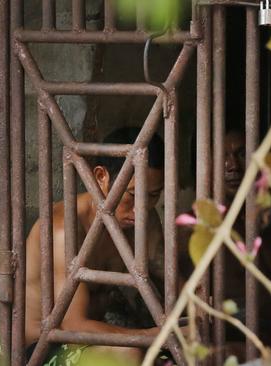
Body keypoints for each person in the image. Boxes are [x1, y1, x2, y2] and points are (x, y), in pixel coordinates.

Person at [24, 127, 168, 365]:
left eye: (153, 195)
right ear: (101, 177)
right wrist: (152, 336)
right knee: (129, 355)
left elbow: (172, 280)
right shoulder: (63, 228)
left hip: (96, 345)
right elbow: (73, 325)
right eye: (132, 194)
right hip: (43, 351)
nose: (141, 209)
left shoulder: (144, 219)